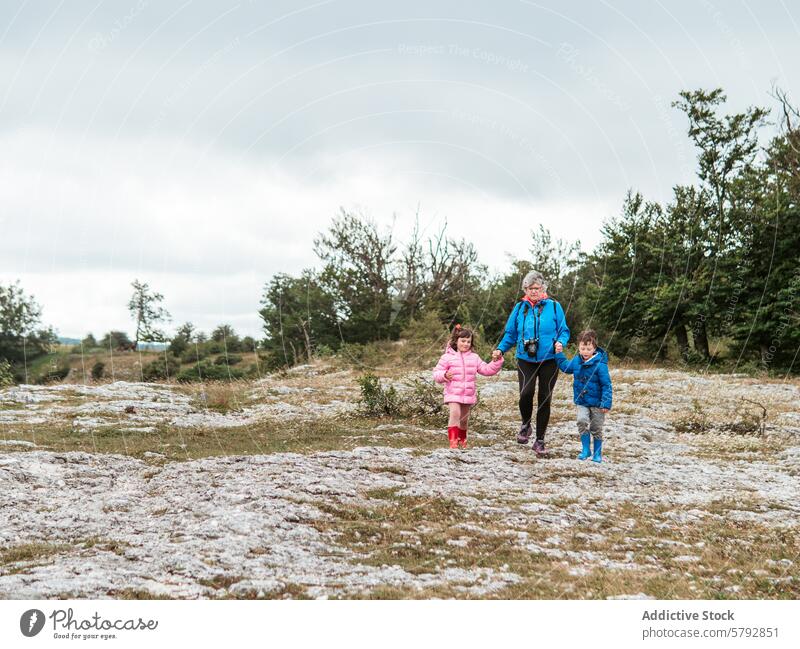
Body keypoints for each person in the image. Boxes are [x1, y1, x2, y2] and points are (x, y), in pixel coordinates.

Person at [492, 270, 570, 456]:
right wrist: (500, 349)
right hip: (525, 358)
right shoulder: (520, 308)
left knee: (545, 398)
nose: (534, 291)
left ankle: (540, 440)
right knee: (525, 394)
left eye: (537, 288)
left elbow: (564, 331)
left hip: (549, 359)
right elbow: (510, 334)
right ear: (525, 289)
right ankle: (525, 424)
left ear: (543, 288)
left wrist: (561, 342)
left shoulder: (554, 306)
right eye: (530, 288)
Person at [433, 325, 504, 449]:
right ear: (456, 341)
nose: (466, 344)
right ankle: (453, 442)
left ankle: (462, 440)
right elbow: (436, 373)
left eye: (468, 342)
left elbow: (486, 370)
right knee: (455, 413)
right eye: (463, 341)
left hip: (468, 394)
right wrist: (444, 375)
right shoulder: (447, 357)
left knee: (464, 420)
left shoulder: (474, 358)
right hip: (453, 393)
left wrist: (496, 361)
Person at [554, 329, 613, 463]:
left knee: (596, 428)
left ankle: (597, 454)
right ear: (579, 348)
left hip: (598, 403)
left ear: (594, 348)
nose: (585, 351)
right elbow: (565, 367)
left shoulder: (600, 365)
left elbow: (606, 385)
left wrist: (606, 403)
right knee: (581, 421)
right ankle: (586, 450)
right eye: (582, 348)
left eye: (588, 348)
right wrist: (558, 354)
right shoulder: (576, 361)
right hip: (581, 400)